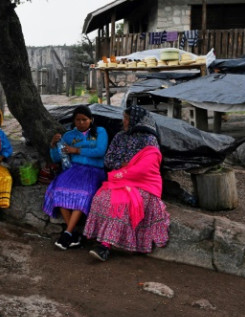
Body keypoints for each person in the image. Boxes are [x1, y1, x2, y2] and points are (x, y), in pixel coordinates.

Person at [84, 105, 170, 261]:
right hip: (122, 179)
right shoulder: (120, 136)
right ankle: (100, 238)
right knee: (101, 198)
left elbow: (148, 166)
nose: (123, 121)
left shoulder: (149, 140)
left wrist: (128, 167)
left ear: (135, 121)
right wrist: (123, 165)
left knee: (121, 204)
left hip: (141, 183)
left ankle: (105, 246)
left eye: (126, 118)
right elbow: (108, 159)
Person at [43, 105, 108, 250]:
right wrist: (53, 145)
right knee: (58, 188)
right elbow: (57, 158)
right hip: (74, 170)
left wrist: (77, 150)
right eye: (77, 120)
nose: (81, 123)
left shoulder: (100, 132)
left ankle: (67, 233)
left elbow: (100, 151)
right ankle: (71, 234)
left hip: (94, 171)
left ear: (91, 119)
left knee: (84, 193)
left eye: (84, 119)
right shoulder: (68, 136)